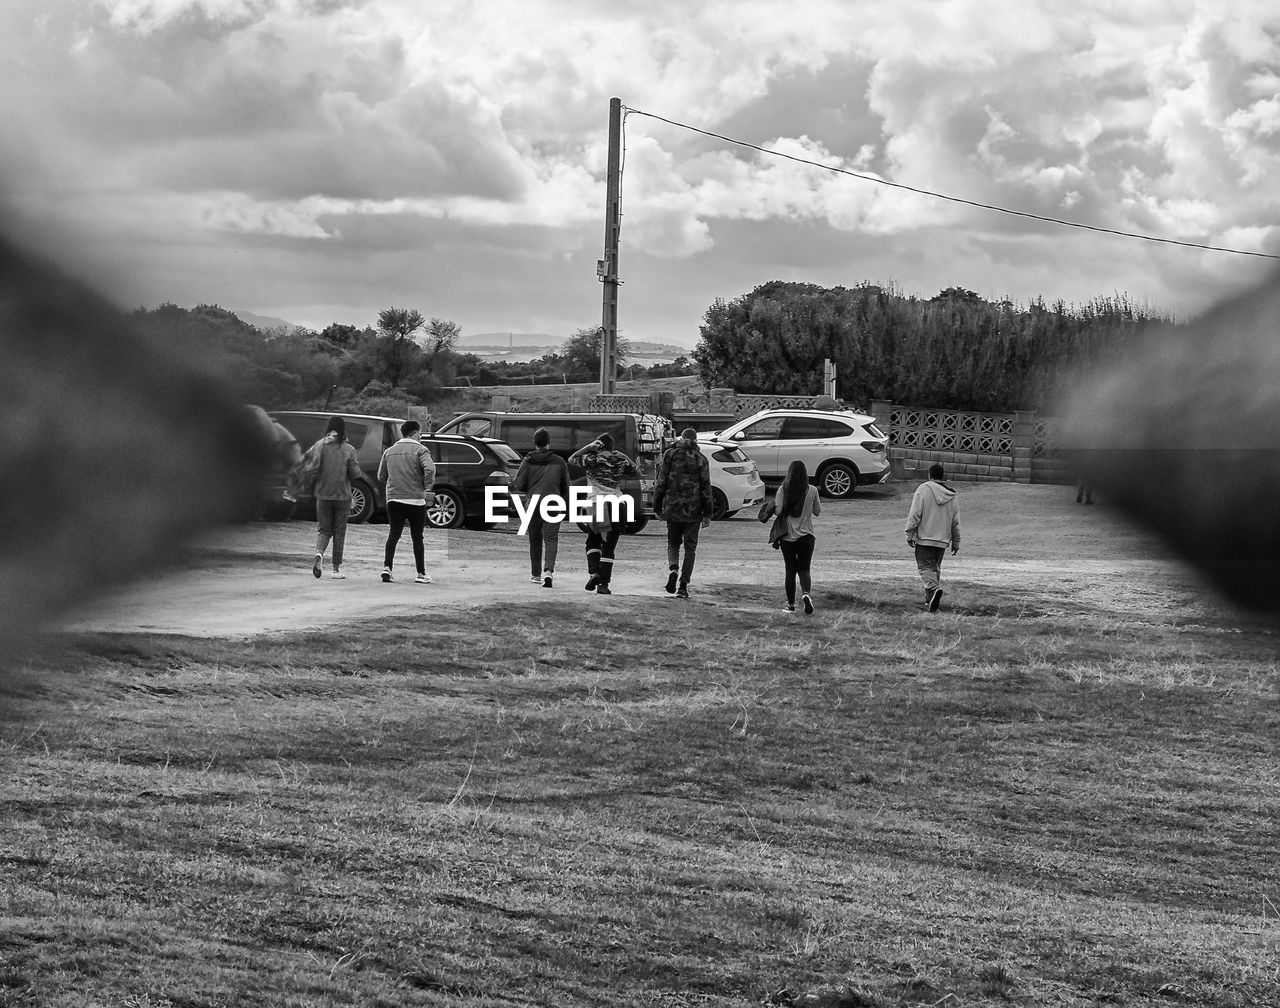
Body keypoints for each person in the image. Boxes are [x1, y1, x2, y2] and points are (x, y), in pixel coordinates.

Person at [568, 432, 639, 595]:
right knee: (610, 545)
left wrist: (588, 448)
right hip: (616, 503)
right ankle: (603, 585)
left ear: (598, 446)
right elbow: (635, 471)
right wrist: (623, 455)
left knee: (593, 540)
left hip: (595, 504)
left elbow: (571, 459)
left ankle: (594, 572)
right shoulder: (620, 460)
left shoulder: (591, 459)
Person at [653, 427, 713, 599]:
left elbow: (661, 481)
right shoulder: (701, 459)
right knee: (690, 548)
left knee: (673, 543)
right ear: (695, 441)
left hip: (672, 507)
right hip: (693, 510)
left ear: (681, 438)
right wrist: (708, 513)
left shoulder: (669, 454)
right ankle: (683, 586)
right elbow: (706, 488)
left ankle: (673, 569)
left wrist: (657, 506)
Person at [377, 420, 435, 585]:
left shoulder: (389, 451)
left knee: (394, 534)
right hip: (416, 499)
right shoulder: (421, 450)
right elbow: (430, 469)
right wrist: (427, 484)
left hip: (394, 498)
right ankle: (421, 573)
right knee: (417, 537)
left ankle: (387, 567)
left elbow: (381, 476)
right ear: (416, 433)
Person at [512, 427, 572, 588]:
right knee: (551, 539)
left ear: (535, 443)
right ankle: (549, 572)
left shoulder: (528, 461)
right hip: (553, 502)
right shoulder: (559, 462)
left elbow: (519, 484)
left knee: (535, 540)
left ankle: (535, 575)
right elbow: (566, 486)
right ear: (548, 443)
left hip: (532, 503)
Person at [309, 416, 364, 580]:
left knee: (324, 530)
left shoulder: (319, 446)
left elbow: (311, 467)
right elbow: (355, 474)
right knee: (339, 532)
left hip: (323, 494)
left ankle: (319, 553)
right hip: (342, 496)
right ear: (343, 430)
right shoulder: (349, 449)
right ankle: (335, 569)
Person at [905, 463, 961, 612]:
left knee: (925, 566)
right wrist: (956, 541)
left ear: (929, 475)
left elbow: (915, 513)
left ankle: (933, 589)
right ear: (942, 476)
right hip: (942, 539)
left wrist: (910, 532)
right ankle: (930, 599)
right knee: (935, 568)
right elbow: (955, 521)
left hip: (925, 537)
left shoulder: (924, 489)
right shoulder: (952, 495)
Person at [769, 460, 821, 614]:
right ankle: (806, 594)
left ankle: (791, 606)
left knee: (790, 571)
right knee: (804, 568)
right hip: (807, 536)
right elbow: (818, 512)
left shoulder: (783, 489)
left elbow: (778, 512)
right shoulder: (812, 490)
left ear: (789, 473)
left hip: (787, 537)